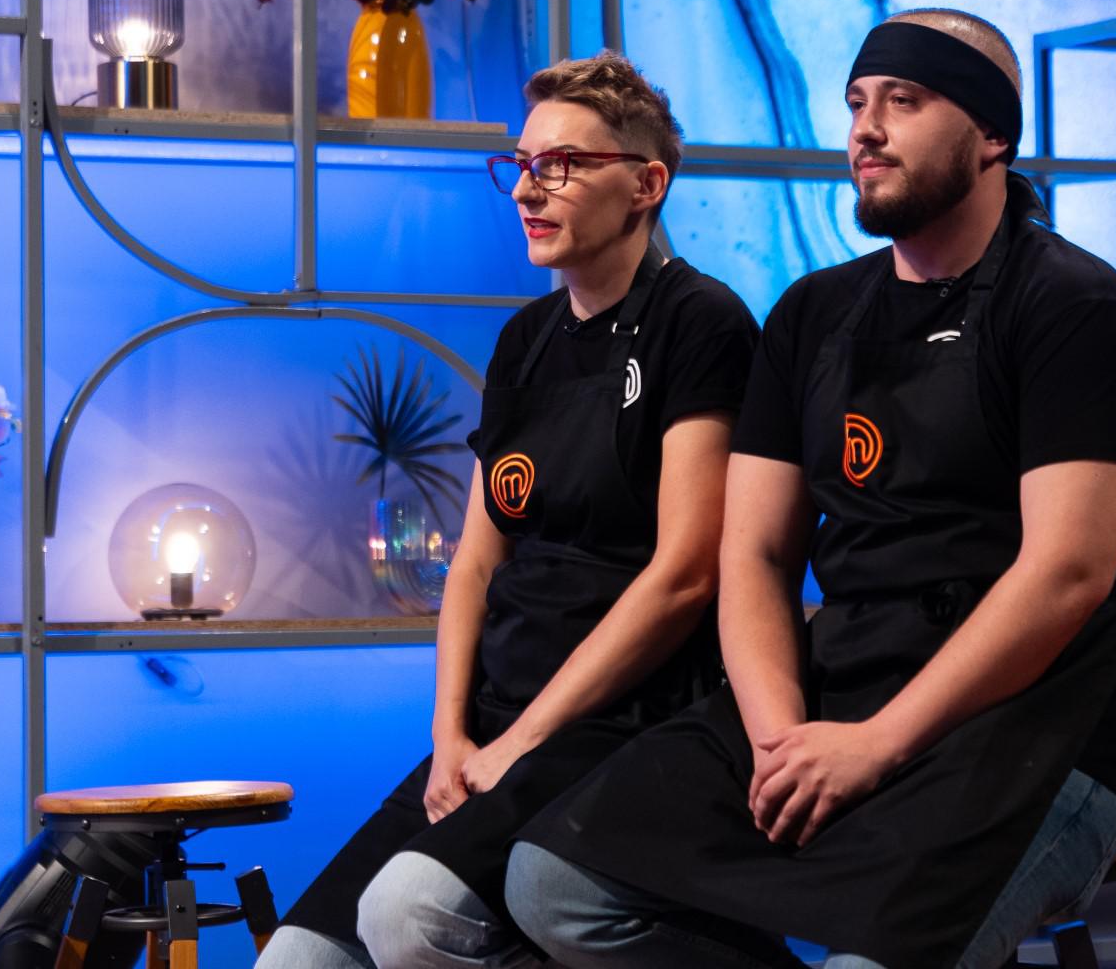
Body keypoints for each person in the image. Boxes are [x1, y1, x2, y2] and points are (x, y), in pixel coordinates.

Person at [504, 9, 1116, 969]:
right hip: (842, 687)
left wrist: (878, 745)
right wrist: (780, 736)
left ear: (992, 134)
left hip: (1040, 724)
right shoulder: (815, 313)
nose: (867, 130)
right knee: (555, 884)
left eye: (904, 102)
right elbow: (756, 552)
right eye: (858, 103)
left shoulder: (1070, 304)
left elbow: (1067, 573)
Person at [255, 51, 760, 969]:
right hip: (495, 723)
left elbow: (686, 573)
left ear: (647, 185)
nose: (529, 189)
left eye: (562, 165)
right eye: (523, 165)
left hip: (623, 723)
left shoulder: (701, 322)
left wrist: (522, 741)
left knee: (411, 917)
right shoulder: (525, 341)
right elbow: (477, 563)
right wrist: (450, 736)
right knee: (295, 959)